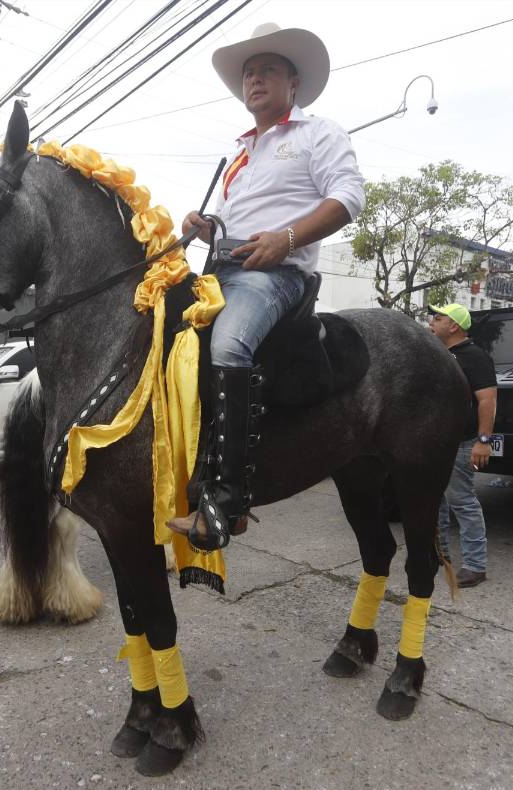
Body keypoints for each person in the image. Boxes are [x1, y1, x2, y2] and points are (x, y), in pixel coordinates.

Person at [165, 23, 365, 550]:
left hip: (278, 275)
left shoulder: (319, 133)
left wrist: (288, 238)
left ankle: (229, 499)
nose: (254, 80)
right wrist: (207, 223)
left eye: (267, 70)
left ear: (293, 82)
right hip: (223, 268)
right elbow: (234, 218)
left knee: (229, 341)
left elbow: (349, 197)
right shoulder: (240, 154)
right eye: (249, 73)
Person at [427, 303, 498, 587]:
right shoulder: (442, 354)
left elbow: (488, 400)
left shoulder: (474, 357)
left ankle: (475, 565)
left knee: (462, 502)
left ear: (454, 326)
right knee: (437, 502)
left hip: (460, 443)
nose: (432, 321)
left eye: (438, 317)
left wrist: (483, 441)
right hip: (436, 443)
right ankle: (440, 555)